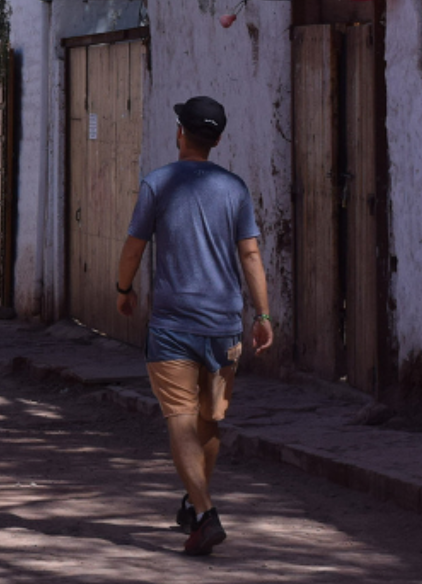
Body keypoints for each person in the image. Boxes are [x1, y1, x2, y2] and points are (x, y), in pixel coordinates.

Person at [115, 96, 274, 558]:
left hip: (172, 325)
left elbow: (133, 246)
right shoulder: (235, 189)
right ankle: (193, 499)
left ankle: (204, 513)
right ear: (218, 139)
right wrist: (262, 316)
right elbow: (250, 256)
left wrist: (123, 288)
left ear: (180, 133)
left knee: (180, 420)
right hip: (223, 324)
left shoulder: (158, 184)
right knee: (209, 420)